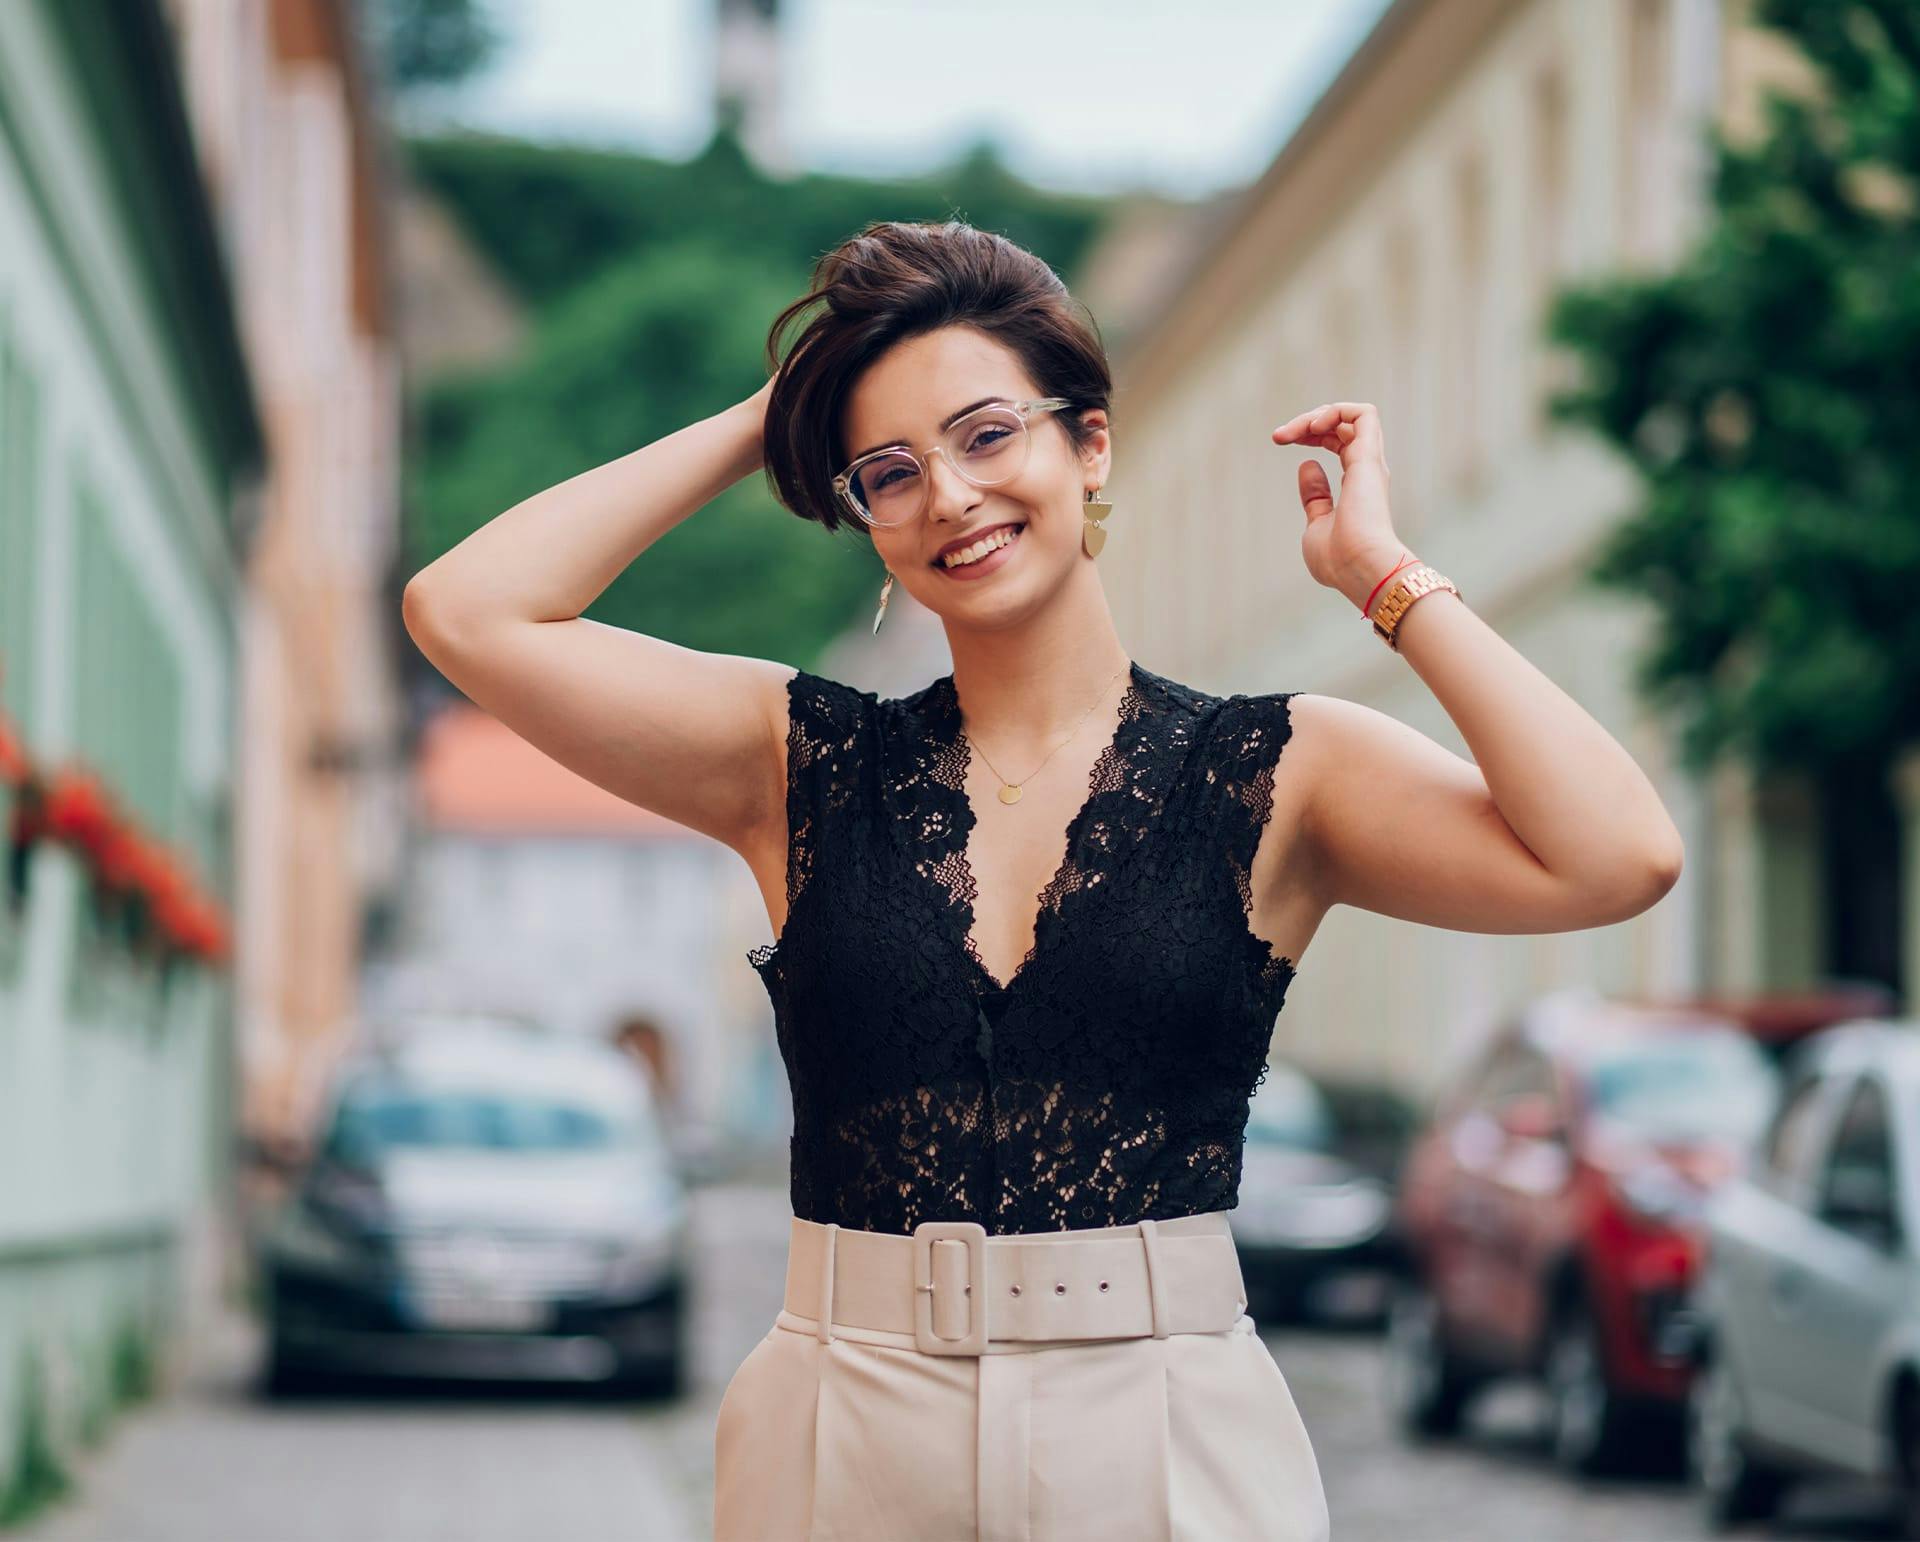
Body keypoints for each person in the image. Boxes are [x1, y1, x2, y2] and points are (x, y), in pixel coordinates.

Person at [402, 219, 1685, 1541]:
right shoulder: (795, 765)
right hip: (844, 1420)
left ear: (1090, 442)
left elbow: (1619, 852)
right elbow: (467, 608)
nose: (949, 495)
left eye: (986, 433)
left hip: (1165, 1419)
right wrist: (771, 414)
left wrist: (1385, 579)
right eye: (887, 472)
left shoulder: (1279, 769)